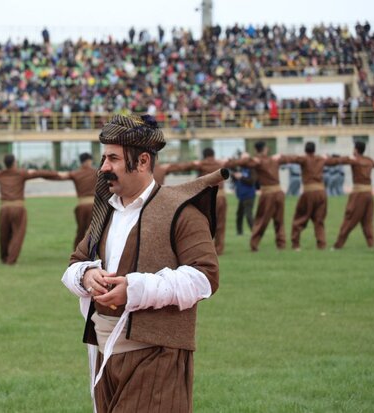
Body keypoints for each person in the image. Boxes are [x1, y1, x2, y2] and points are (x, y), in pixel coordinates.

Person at [61, 114, 224, 413]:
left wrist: (135, 288)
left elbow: (205, 277)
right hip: (103, 355)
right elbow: (74, 264)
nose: (104, 167)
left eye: (113, 158)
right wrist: (86, 276)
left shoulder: (182, 211)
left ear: (144, 161)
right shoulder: (106, 211)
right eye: (103, 158)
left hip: (156, 358)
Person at [0, 154, 61, 265]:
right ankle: (11, 260)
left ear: (5, 164)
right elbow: (38, 174)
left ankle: (4, 258)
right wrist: (55, 174)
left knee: (3, 235)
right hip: (18, 208)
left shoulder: (0, 174)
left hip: (4, 208)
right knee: (18, 234)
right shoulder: (21, 173)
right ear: (14, 162)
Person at [230, 141, 291, 251]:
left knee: (261, 220)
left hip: (268, 194)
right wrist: (280, 156)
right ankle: (281, 244)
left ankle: (254, 244)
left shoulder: (258, 161)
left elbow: (243, 163)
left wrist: (229, 161)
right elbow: (290, 159)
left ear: (255, 150)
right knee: (279, 220)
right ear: (266, 149)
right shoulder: (273, 159)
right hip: (279, 192)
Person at [326, 142, 374, 249]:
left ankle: (337, 246)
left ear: (356, 150)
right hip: (369, 194)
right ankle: (371, 245)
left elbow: (338, 161)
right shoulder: (369, 160)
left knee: (349, 219)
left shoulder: (354, 160)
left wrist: (324, 160)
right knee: (367, 222)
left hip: (359, 194)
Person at [282, 142, 331, 250]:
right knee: (319, 220)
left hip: (309, 192)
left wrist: (280, 157)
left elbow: (293, 158)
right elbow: (336, 161)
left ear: (305, 150)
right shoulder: (321, 159)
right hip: (322, 193)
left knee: (299, 218)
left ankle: (296, 244)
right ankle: (322, 245)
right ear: (314, 150)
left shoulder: (304, 159)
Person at [58, 153, 98, 248]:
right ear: (89, 161)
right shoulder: (96, 172)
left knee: (80, 230)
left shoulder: (76, 173)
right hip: (94, 206)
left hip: (81, 206)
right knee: (93, 230)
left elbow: (60, 177)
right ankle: (91, 251)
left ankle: (77, 250)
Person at [232, 154, 257, 235]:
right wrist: (234, 176)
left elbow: (252, 181)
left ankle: (254, 232)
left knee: (248, 214)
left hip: (249, 195)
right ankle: (239, 232)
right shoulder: (240, 168)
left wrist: (241, 177)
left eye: (244, 159)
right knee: (239, 214)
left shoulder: (252, 169)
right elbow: (234, 177)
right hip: (241, 196)